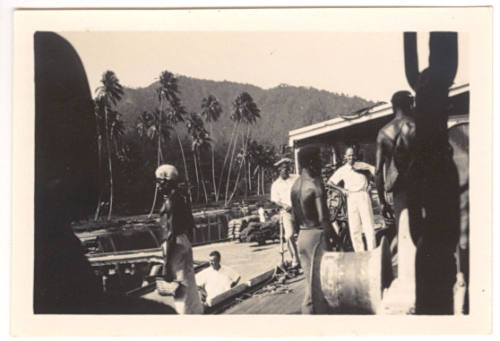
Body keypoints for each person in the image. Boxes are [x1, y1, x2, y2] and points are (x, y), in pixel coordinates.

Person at [375, 90, 418, 312]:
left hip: (398, 191)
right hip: (420, 188)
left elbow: (377, 171)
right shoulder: (418, 126)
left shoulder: (384, 132)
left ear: (393, 107)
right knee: (420, 235)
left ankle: (408, 280)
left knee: (404, 235)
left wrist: (382, 200)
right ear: (410, 104)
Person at [291, 145, 334, 314]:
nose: (321, 162)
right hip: (316, 235)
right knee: (321, 286)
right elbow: (324, 218)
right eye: (318, 159)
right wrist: (333, 239)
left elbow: (294, 218)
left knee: (310, 284)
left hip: (302, 236)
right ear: (310, 162)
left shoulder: (294, 186)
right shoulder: (315, 184)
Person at [156, 164, 204, 314]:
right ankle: (196, 314)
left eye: (159, 181)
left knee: (178, 287)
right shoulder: (181, 198)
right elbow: (190, 226)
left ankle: (183, 319)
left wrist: (166, 265)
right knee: (189, 282)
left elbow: (170, 234)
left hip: (175, 244)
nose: (157, 185)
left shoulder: (170, 202)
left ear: (167, 181)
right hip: (184, 242)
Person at [327, 145, 376, 252]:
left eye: (353, 155)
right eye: (349, 155)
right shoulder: (342, 170)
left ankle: (372, 251)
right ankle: (359, 252)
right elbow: (330, 182)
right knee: (354, 228)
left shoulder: (362, 165)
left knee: (368, 226)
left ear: (356, 156)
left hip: (363, 195)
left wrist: (371, 183)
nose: (351, 157)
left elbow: (375, 172)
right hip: (351, 197)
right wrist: (342, 190)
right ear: (345, 156)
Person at [270, 158, 300, 268]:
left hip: (300, 209)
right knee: (289, 235)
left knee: (304, 233)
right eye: (283, 169)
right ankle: (295, 258)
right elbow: (275, 200)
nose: (286, 171)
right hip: (286, 212)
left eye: (287, 168)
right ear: (279, 170)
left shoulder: (296, 178)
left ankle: (306, 255)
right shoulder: (276, 184)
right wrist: (284, 205)